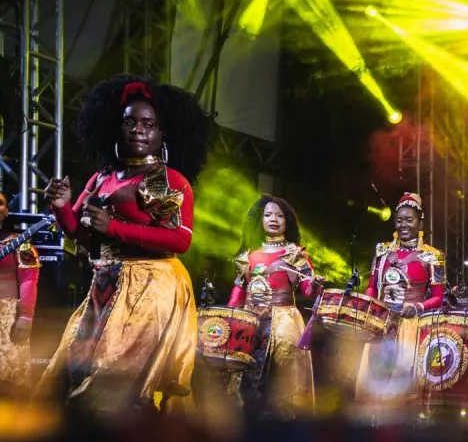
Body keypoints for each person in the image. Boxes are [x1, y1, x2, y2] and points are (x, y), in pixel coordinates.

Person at [39, 74, 210, 416]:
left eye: (149, 124)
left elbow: (179, 239)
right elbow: (80, 231)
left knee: (114, 375)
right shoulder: (103, 176)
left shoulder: (164, 179)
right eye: (130, 122)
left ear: (163, 133)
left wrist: (114, 226)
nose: (138, 130)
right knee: (71, 367)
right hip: (106, 282)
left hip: (152, 285)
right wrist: (61, 207)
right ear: (116, 128)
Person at [227, 195, 321, 416]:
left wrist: (315, 285)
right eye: (268, 215)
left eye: (280, 215)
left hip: (284, 322)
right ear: (259, 220)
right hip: (250, 325)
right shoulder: (247, 256)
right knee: (246, 384)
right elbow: (238, 291)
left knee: (285, 384)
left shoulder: (296, 255)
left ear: (287, 221)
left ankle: (286, 426)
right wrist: (230, 314)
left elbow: (308, 289)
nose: (274, 219)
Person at [357, 192, 446, 404]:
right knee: (375, 379)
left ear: (420, 222)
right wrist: (370, 305)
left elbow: (439, 298)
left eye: (409, 220)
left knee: (403, 385)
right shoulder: (382, 252)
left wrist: (416, 307)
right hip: (381, 323)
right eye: (399, 220)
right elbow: (371, 287)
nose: (403, 225)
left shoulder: (433, 256)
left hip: (411, 326)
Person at [0, 193, 41, 397]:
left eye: (0, 203)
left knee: (9, 385)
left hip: (7, 319)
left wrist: (26, 315)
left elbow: (29, 279)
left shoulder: (21, 242)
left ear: (7, 211)